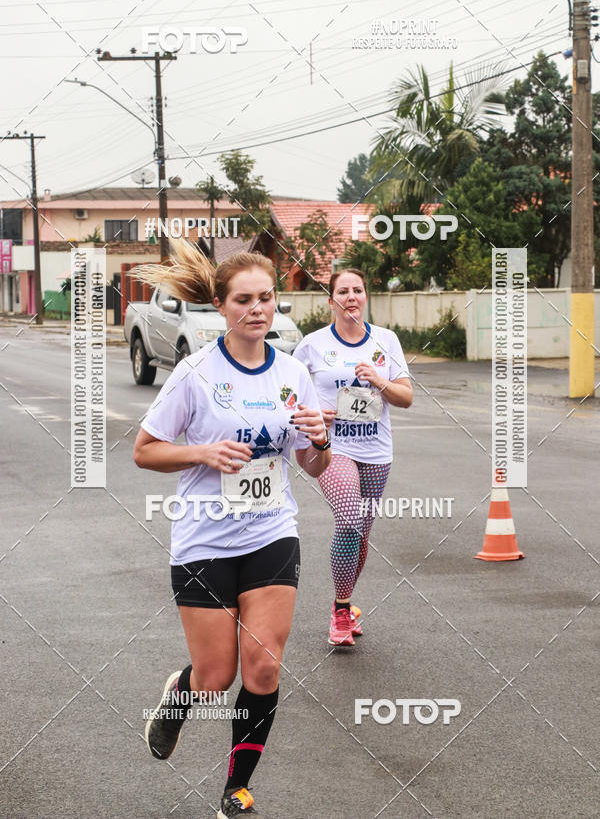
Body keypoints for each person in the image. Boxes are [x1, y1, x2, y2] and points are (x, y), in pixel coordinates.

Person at [131, 240, 330, 818]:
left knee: (263, 665)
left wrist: (319, 440)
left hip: (272, 532)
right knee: (216, 677)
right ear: (221, 306)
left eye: (266, 298)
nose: (257, 309)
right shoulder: (195, 373)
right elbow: (146, 452)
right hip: (204, 540)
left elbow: (313, 466)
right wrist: (202, 453)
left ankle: (235, 789)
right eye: (243, 300)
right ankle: (180, 696)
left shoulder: (294, 373)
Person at [293, 269, 413, 646]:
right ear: (331, 301)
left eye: (357, 290)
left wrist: (379, 381)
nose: (351, 297)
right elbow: (289, 395)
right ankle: (342, 612)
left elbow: (406, 397)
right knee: (348, 516)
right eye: (342, 291)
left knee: (361, 534)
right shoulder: (312, 345)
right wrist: (315, 413)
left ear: (366, 297)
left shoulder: (385, 340)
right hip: (332, 447)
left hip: (376, 450)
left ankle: (341, 606)